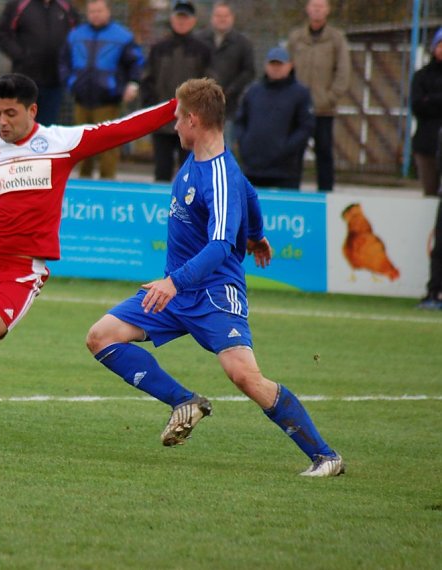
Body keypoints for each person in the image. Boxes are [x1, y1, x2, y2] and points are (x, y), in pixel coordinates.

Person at [0, 73, 178, 439]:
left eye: (10, 113)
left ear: (32, 111)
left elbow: (122, 129)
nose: (2, 122)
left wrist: (177, 106)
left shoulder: (61, 142)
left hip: (19, 270)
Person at [85, 78, 344, 477]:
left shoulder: (219, 174)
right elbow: (250, 193)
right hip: (177, 290)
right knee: (101, 336)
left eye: (177, 118)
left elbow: (222, 245)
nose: (174, 125)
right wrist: (256, 234)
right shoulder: (201, 161)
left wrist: (175, 281)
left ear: (193, 119)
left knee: (245, 377)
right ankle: (184, 401)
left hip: (213, 293)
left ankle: (326, 456)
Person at [60, 0, 142, 179]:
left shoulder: (122, 36)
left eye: (99, 11)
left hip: (108, 101)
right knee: (82, 147)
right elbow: (64, 62)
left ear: (108, 11)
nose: (95, 15)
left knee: (108, 147)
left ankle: (108, 183)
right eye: (92, 11)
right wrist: (71, 82)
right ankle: (83, 183)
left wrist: (132, 83)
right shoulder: (76, 35)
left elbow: (135, 63)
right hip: (81, 99)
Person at [141, 0, 211, 182]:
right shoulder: (158, 48)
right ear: (172, 19)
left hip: (191, 122)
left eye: (185, 18)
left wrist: (199, 114)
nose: (181, 21)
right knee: (161, 171)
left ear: (193, 21)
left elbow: (209, 85)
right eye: (179, 17)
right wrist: (152, 110)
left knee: (190, 174)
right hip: (162, 120)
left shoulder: (203, 50)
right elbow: (147, 80)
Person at [288, 0, 350, 192]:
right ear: (307, 9)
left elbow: (343, 71)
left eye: (321, 6)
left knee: (324, 153)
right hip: (297, 109)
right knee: (294, 153)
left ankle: (325, 194)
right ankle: (291, 194)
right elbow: (287, 67)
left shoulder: (336, 38)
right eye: (314, 5)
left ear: (327, 10)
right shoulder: (296, 37)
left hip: (324, 109)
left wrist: (329, 97)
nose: (317, 9)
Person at [234, 46, 314, 190]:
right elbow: (240, 120)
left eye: (280, 64)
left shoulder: (300, 93)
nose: (275, 68)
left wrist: (286, 149)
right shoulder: (253, 91)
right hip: (253, 168)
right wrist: (245, 144)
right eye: (272, 64)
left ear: (290, 66)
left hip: (285, 171)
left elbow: (305, 127)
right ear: (266, 65)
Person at [0, 0, 79, 126]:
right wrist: (20, 55)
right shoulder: (18, 5)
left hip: (54, 82)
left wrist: (66, 64)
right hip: (24, 82)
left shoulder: (65, 7)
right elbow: (2, 34)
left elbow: (77, 36)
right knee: (22, 126)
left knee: (47, 129)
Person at [196, 1, 254, 149]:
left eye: (225, 16)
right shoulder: (199, 40)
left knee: (223, 147)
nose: (222, 19)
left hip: (229, 107)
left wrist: (230, 91)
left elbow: (248, 71)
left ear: (232, 18)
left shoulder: (243, 43)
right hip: (201, 107)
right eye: (218, 15)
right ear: (212, 17)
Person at [410, 27, 442, 197]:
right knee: (430, 194)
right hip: (426, 144)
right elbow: (417, 106)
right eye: (440, 45)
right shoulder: (422, 76)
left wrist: (431, 99)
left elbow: (426, 103)